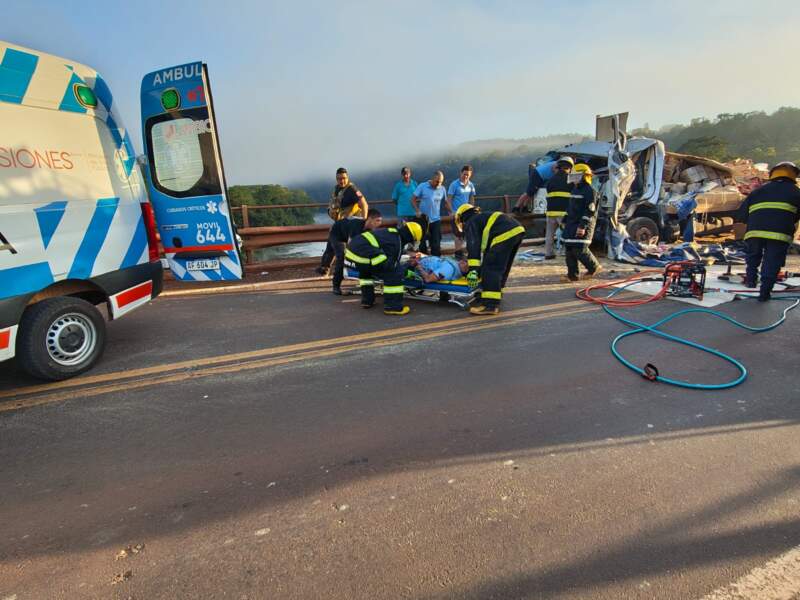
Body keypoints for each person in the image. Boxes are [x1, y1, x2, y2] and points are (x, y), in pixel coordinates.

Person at [737, 161, 800, 301]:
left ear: (773, 174)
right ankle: (764, 293)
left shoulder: (758, 191)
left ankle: (751, 281)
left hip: (754, 232)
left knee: (753, 256)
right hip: (779, 234)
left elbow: (741, 215)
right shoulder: (796, 192)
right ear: (793, 175)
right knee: (772, 261)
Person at [454, 204, 525, 315]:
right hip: (517, 230)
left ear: (461, 218)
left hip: (503, 234)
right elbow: (486, 251)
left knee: (491, 268)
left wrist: (473, 270)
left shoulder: (471, 222)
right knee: (501, 266)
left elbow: (473, 247)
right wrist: (479, 270)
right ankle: (495, 293)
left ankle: (490, 305)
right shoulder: (482, 217)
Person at [345, 221, 423, 315]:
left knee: (366, 271)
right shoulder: (397, 242)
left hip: (350, 257)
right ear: (411, 237)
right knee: (394, 273)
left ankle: (367, 300)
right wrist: (406, 272)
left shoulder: (391, 233)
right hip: (361, 258)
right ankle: (393, 307)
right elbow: (392, 266)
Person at [317, 167, 369, 275]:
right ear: (336, 179)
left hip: (351, 224)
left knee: (341, 250)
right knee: (331, 244)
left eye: (344, 178)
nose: (342, 181)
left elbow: (364, 204)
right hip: (341, 223)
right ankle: (324, 269)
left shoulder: (352, 189)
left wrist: (363, 221)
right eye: (340, 179)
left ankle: (341, 273)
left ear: (348, 177)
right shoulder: (337, 189)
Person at [326, 209, 383, 295]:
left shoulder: (370, 230)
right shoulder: (356, 226)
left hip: (346, 232)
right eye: (377, 220)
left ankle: (371, 282)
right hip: (336, 234)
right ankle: (336, 287)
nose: (380, 223)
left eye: (381, 221)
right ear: (369, 219)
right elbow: (351, 245)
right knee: (342, 258)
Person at [561, 163, 601, 282]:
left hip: (582, 224)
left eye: (576, 176)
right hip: (571, 224)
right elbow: (570, 208)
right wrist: (564, 220)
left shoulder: (590, 191)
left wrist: (582, 226)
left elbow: (590, 210)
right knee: (569, 249)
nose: (573, 179)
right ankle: (572, 275)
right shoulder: (575, 189)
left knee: (579, 249)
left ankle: (593, 267)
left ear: (584, 176)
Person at [543, 157, 574, 259]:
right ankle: (567, 252)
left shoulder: (551, 180)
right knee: (568, 232)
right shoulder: (571, 179)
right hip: (563, 212)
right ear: (569, 167)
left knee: (549, 234)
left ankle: (549, 254)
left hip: (550, 212)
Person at [411, 171, 447, 256]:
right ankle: (424, 264)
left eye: (441, 182)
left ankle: (436, 263)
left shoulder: (442, 189)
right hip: (423, 220)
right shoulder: (422, 186)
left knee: (436, 245)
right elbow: (412, 199)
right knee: (422, 245)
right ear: (432, 179)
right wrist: (417, 210)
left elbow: (446, 202)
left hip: (436, 220)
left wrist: (452, 212)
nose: (439, 184)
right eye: (437, 181)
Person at [446, 165, 477, 257]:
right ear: (461, 173)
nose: (466, 176)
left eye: (468, 175)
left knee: (467, 234)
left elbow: (472, 198)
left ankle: (465, 253)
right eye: (464, 174)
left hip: (467, 214)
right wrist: (451, 212)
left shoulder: (471, 185)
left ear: (470, 175)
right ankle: (458, 254)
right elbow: (449, 199)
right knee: (458, 235)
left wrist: (472, 210)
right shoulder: (454, 184)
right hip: (456, 213)